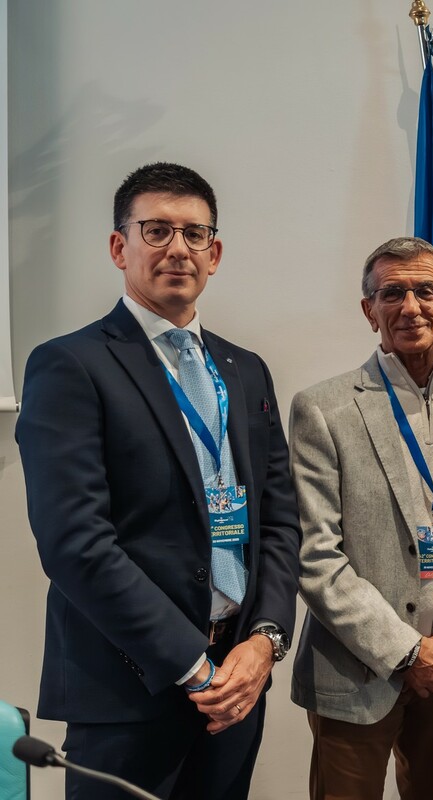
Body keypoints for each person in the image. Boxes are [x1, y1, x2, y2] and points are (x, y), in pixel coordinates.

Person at [15, 162, 301, 799]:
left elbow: (280, 521)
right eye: (157, 231)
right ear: (119, 247)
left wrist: (265, 639)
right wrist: (191, 664)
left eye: (195, 234)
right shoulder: (70, 365)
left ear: (214, 254)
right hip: (128, 687)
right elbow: (75, 543)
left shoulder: (246, 370)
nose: (178, 248)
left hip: (237, 682)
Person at [288, 236, 433, 799]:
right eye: (392, 293)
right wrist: (405, 652)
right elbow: (315, 556)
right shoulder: (322, 409)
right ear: (369, 309)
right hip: (354, 671)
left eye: (425, 291)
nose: (411, 307)